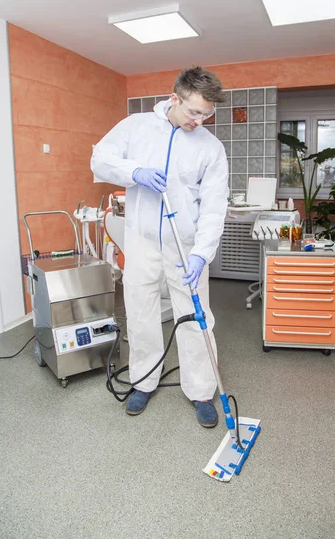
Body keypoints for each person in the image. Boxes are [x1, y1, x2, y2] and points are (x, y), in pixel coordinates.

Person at [91, 66, 229, 428]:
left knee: (196, 318)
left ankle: (201, 391)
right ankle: (143, 380)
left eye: (207, 113)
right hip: (141, 241)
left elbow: (215, 206)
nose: (200, 120)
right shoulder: (136, 127)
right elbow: (100, 158)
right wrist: (133, 172)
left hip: (185, 247)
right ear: (174, 98)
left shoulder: (211, 148)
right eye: (194, 111)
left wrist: (202, 252)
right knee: (140, 313)